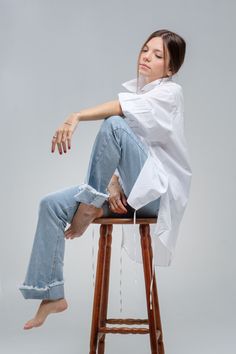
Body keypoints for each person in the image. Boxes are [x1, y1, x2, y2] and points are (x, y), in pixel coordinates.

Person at [19, 29, 192, 330]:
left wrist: (75, 115)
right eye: (145, 50)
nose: (147, 57)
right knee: (50, 205)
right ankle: (51, 294)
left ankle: (89, 206)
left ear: (171, 68)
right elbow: (125, 152)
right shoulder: (142, 95)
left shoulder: (169, 93)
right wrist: (112, 183)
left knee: (113, 123)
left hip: (155, 197)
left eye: (158, 55)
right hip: (129, 192)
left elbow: (119, 119)